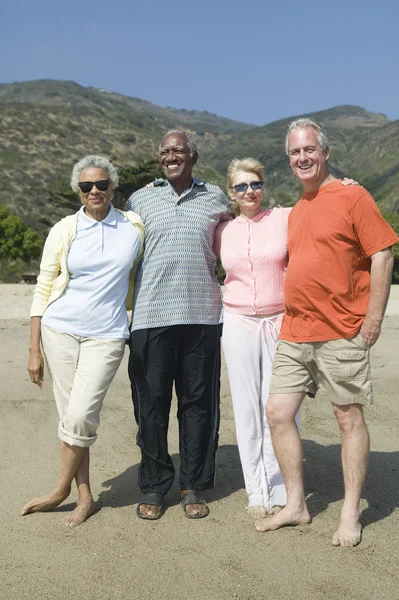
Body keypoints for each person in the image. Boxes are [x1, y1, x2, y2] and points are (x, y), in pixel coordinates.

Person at [255, 118, 398, 547]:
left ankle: (351, 512)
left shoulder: (353, 195)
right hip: (296, 329)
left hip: (341, 330)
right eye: (295, 152)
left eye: (309, 150)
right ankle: (296, 505)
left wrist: (373, 318)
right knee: (278, 413)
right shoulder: (297, 209)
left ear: (325, 152)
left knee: (347, 417)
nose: (302, 158)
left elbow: (383, 253)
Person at [21, 155, 144, 527]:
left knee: (80, 415)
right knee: (73, 417)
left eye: (102, 185)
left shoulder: (133, 226)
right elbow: (43, 288)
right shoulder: (64, 229)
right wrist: (33, 349)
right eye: (87, 186)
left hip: (107, 334)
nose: (95, 191)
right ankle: (85, 496)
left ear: (113, 188)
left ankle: (59, 490)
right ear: (78, 190)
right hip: (59, 330)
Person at [127, 130, 232, 520]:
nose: (172, 156)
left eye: (179, 151)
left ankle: (194, 484)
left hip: (203, 316)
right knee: (150, 407)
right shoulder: (139, 199)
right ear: (160, 159)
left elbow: (247, 225)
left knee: (198, 405)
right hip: (151, 318)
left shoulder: (217, 197)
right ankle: (154, 485)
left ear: (194, 156)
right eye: (166, 151)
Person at [214, 158, 296, 519]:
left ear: (264, 186)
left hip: (280, 320)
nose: (250, 192)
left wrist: (346, 185)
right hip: (237, 321)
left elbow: (321, 207)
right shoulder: (221, 230)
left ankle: (279, 488)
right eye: (242, 186)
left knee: (276, 407)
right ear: (231, 192)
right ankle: (256, 492)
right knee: (246, 408)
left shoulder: (284, 218)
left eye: (256, 184)